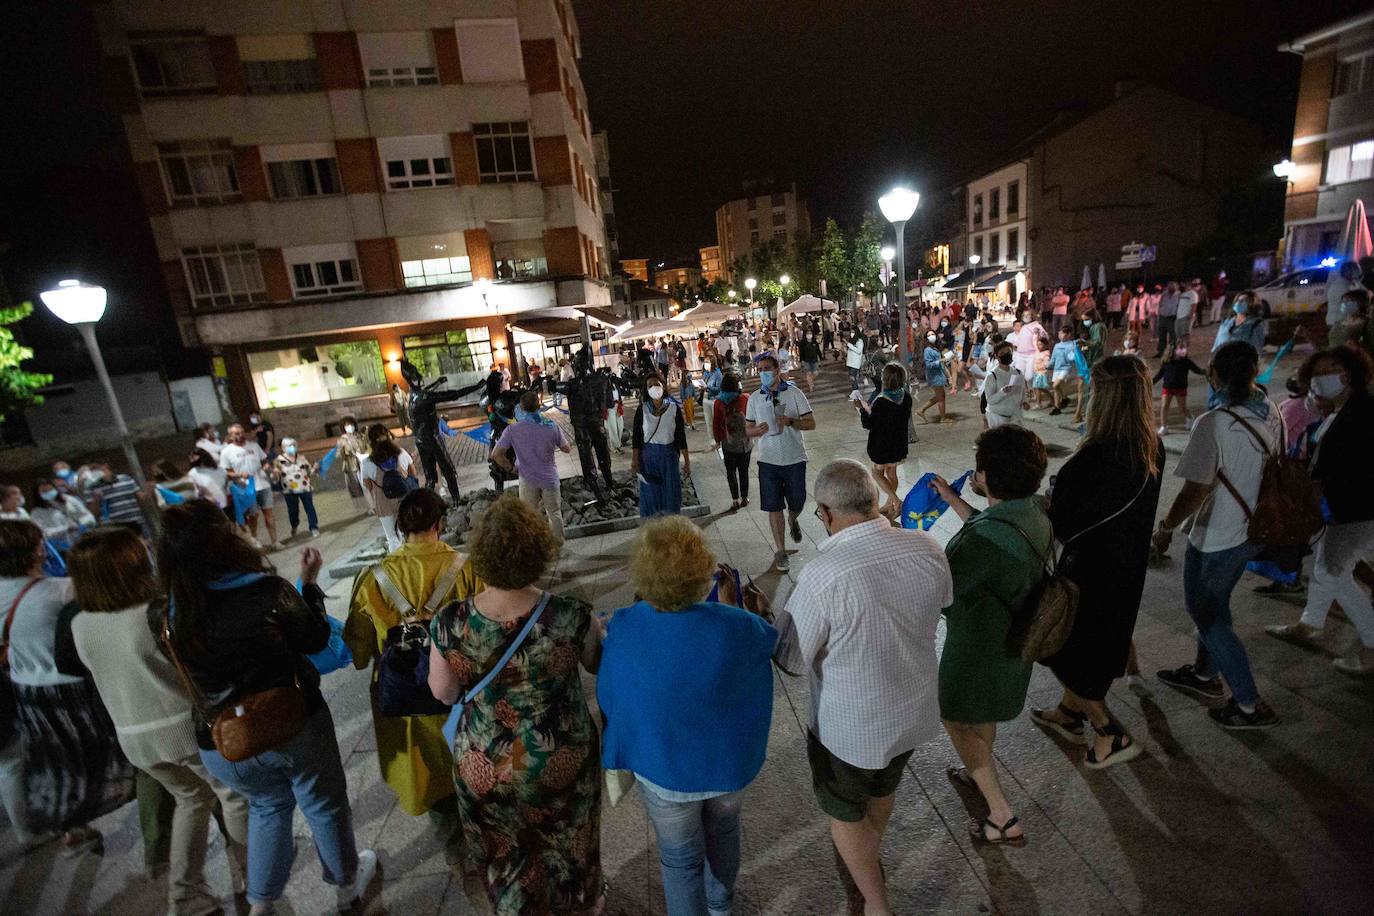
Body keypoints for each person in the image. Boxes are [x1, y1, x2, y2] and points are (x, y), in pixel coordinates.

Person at [156, 502, 376, 914]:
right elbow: (313, 640)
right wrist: (309, 584)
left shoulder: (166, 614)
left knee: (267, 806)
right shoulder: (265, 592)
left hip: (222, 739)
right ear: (224, 539)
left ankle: (261, 904)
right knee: (321, 802)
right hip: (292, 721)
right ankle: (347, 888)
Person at [774, 460, 951, 915]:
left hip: (850, 729)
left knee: (845, 813)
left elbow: (791, 660)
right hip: (912, 711)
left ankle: (875, 903)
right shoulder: (926, 548)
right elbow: (942, 602)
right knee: (881, 793)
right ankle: (868, 860)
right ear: (874, 501)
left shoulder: (823, 574)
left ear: (826, 513)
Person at [426, 494, 603, 914]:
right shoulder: (570, 615)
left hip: (484, 762)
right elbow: (596, 663)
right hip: (559, 755)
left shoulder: (450, 622)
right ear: (537, 552)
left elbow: (444, 693)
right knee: (571, 844)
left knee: (502, 853)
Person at [598, 516, 775, 916]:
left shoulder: (625, 626)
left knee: (679, 860)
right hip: (728, 765)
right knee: (725, 831)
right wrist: (739, 607)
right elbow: (764, 641)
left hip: (664, 771)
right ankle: (720, 905)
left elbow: (610, 696)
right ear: (703, 570)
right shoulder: (738, 626)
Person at [67, 526, 249, 915]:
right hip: (184, 730)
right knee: (234, 797)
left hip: (135, 741)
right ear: (129, 568)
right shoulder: (154, 613)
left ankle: (185, 897)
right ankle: (257, 875)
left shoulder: (80, 625)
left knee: (190, 801)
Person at [1029, 358, 1164, 768]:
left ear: (1100, 399)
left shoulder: (1092, 460)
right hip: (1127, 569)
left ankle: (1109, 732)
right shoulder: (1149, 448)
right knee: (1095, 647)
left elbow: (1061, 525)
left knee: (1061, 649)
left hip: (1088, 573)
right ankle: (1070, 716)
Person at [345, 488, 482, 872]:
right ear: (439, 524)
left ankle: (456, 854)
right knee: (472, 772)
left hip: (406, 709)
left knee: (433, 784)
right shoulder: (468, 569)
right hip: (459, 698)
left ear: (402, 527)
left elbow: (358, 655)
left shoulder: (372, 580)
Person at [930, 426, 1051, 845]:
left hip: (977, 646)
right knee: (982, 714)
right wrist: (952, 499)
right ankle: (974, 770)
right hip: (1015, 640)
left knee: (954, 714)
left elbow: (944, 592)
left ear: (984, 475)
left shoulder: (980, 543)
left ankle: (1001, 814)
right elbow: (995, 524)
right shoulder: (1033, 513)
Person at [1153, 341, 1282, 728]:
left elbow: (1196, 488)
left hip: (1218, 535)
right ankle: (1204, 675)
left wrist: (1165, 527)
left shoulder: (1214, 423)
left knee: (1207, 615)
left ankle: (1248, 703)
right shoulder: (1271, 410)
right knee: (1216, 605)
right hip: (1256, 527)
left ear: (1215, 376)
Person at [0, 519, 127, 854]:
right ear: (37, 549)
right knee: (100, 754)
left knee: (57, 762)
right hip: (72, 688)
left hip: (26, 691)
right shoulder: (62, 592)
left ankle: (71, 829)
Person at [1264, 347, 1374, 674]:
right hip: (1340, 506)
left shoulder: (1364, 411)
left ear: (1351, 373)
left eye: (1332, 370)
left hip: (1357, 507)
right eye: (1317, 373)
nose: (1322, 378)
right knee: (1326, 563)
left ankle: (1371, 643)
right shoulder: (1340, 410)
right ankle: (1310, 623)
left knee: (1332, 572)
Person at [744, 353, 815, 573]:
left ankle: (793, 519)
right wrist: (756, 430)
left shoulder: (794, 393)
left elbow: (811, 423)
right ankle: (780, 550)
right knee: (773, 506)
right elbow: (747, 429)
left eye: (767, 368)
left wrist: (791, 421)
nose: (763, 373)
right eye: (760, 369)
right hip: (768, 461)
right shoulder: (755, 398)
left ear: (777, 369)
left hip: (794, 458)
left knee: (798, 500)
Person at [492, 390, 572, 543]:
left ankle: (533, 546)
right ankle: (558, 545)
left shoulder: (512, 430)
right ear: (539, 405)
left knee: (529, 515)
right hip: (549, 477)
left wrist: (510, 467)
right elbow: (567, 448)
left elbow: (496, 454)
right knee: (554, 513)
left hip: (527, 478)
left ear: (521, 408)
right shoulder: (551, 426)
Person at [854, 362, 912, 519]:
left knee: (877, 473)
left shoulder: (881, 401)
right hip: (898, 444)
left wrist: (861, 408)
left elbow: (869, 424)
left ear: (885, 379)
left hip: (881, 446)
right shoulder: (906, 397)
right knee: (892, 473)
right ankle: (888, 505)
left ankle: (895, 500)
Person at [631, 372, 690, 517]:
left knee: (671, 494)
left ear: (663, 386)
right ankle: (652, 531)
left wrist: (687, 461)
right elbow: (637, 438)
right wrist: (635, 460)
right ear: (646, 390)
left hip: (669, 459)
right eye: (650, 385)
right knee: (651, 495)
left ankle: (671, 527)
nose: (654, 387)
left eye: (656, 384)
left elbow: (680, 437)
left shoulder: (673, 409)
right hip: (649, 459)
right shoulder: (642, 410)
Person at [361, 422, 419, 552]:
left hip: (383, 503)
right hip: (404, 499)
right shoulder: (401, 453)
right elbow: (413, 472)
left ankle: (398, 565)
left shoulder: (366, 462)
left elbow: (367, 486)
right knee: (408, 533)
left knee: (392, 537)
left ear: (370, 441)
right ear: (388, 436)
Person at [219, 424, 277, 550]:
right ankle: (255, 538)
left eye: (241, 432)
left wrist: (266, 466)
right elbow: (226, 472)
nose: (240, 435)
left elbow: (264, 460)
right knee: (253, 515)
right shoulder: (227, 452)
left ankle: (275, 541)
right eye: (236, 434)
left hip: (262, 483)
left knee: (269, 513)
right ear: (231, 436)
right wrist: (239, 474)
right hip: (245, 487)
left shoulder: (254, 446)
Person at [712, 373, 752, 511]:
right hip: (744, 443)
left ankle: (735, 499)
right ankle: (745, 498)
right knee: (744, 471)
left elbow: (716, 422)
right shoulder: (745, 398)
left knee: (730, 472)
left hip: (727, 443)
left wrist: (717, 440)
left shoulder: (718, 402)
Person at [272, 437, 320, 539]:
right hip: (289, 490)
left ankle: (313, 527)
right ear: (283, 448)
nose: (292, 448)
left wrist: (315, 468)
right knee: (293, 510)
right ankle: (294, 525)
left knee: (310, 507)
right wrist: (275, 474)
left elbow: (309, 471)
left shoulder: (301, 458)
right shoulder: (278, 461)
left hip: (304, 487)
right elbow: (274, 479)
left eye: (294, 445)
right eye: (290, 446)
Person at [1153, 344, 1206, 435]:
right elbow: (1160, 374)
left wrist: (1206, 372)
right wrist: (1151, 381)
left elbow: (1197, 370)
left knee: (1182, 408)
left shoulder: (1186, 361)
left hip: (1180, 387)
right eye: (1180, 348)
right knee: (1164, 406)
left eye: (1183, 348)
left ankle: (1190, 418)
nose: (1183, 350)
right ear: (1172, 350)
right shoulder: (1167, 362)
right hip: (1167, 387)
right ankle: (1164, 426)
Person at [30, 478, 95, 548]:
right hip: (62, 547)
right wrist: (65, 529)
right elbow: (43, 533)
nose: (49, 492)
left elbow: (88, 515)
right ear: (37, 494)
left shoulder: (69, 499)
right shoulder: (36, 513)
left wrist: (81, 523)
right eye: (44, 491)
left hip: (83, 539)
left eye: (50, 489)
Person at [87, 462, 147, 531]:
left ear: (105, 466)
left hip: (136, 523)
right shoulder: (92, 488)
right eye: (91, 470)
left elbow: (141, 498)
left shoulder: (126, 478)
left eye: (95, 468)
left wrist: (148, 490)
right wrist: (96, 499)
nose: (94, 472)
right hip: (114, 529)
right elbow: (93, 514)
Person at [335, 416, 372, 514]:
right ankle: (366, 507)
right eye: (347, 425)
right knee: (356, 487)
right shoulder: (342, 440)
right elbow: (338, 454)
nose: (349, 427)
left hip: (363, 462)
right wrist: (344, 452)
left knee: (366, 485)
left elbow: (368, 447)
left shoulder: (360, 436)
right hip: (351, 465)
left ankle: (372, 505)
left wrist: (365, 454)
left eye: (350, 424)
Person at [1211, 290, 1266, 354]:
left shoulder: (1255, 325)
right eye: (1237, 300)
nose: (1238, 303)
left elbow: (1256, 349)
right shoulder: (1226, 322)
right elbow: (1216, 344)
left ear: (1251, 304)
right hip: (1221, 360)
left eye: (1243, 301)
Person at [1327, 287, 1374, 359]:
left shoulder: (1367, 324)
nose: (1344, 304)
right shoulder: (1340, 322)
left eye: (1349, 301)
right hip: (1337, 360)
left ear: (1360, 303)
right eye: (1343, 301)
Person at [917, 332, 951, 424]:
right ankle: (943, 418)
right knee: (941, 398)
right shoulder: (927, 350)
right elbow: (929, 365)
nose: (932, 336)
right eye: (929, 335)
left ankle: (922, 410)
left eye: (933, 334)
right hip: (934, 376)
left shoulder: (934, 347)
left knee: (941, 396)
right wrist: (940, 361)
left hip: (938, 374)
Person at [187, 449, 229, 519]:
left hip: (221, 506)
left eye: (192, 457)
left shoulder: (221, 470)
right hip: (209, 508)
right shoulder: (193, 473)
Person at [1325, 259, 1365, 329]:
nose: (1358, 272)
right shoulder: (1340, 286)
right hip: (1338, 322)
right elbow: (1349, 305)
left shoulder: (1350, 283)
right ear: (1347, 271)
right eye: (1356, 270)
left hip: (1341, 320)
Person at [1049, 325, 1079, 416]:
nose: (1060, 334)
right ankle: (1057, 407)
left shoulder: (1072, 344)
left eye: (1062, 333)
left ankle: (1062, 401)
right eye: (1059, 333)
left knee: (1055, 386)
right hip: (1056, 369)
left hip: (1066, 369)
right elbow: (1053, 358)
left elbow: (1072, 358)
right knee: (1057, 388)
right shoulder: (1057, 345)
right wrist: (1048, 366)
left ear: (1068, 334)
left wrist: (1074, 350)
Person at [1012, 310, 1046, 383]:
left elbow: (1045, 337)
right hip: (1020, 354)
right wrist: (1015, 345)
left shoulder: (1037, 326)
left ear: (1032, 316)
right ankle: (1024, 390)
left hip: (1031, 355)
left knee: (1029, 376)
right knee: (1018, 374)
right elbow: (1020, 339)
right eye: (1024, 315)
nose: (1026, 317)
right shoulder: (1023, 327)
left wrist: (1039, 332)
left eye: (1028, 315)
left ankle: (1030, 389)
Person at [1153, 281, 1181, 358]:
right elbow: (1160, 304)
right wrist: (1159, 314)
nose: (1171, 287)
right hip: (1163, 317)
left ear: (1176, 287)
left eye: (1173, 286)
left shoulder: (1179, 295)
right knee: (1161, 336)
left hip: (1172, 317)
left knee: (1173, 336)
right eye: (1169, 286)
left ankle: (1171, 352)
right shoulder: (1164, 294)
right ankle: (1161, 352)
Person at [1030, 337, 1053, 409]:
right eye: (1038, 344)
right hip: (1036, 372)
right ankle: (1053, 399)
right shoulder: (1037, 351)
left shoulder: (1046, 354)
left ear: (1045, 345)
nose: (1038, 346)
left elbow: (1047, 364)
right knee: (1040, 388)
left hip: (1041, 373)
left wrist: (1044, 366)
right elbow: (1034, 341)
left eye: (1040, 344)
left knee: (1037, 387)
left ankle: (1038, 403)